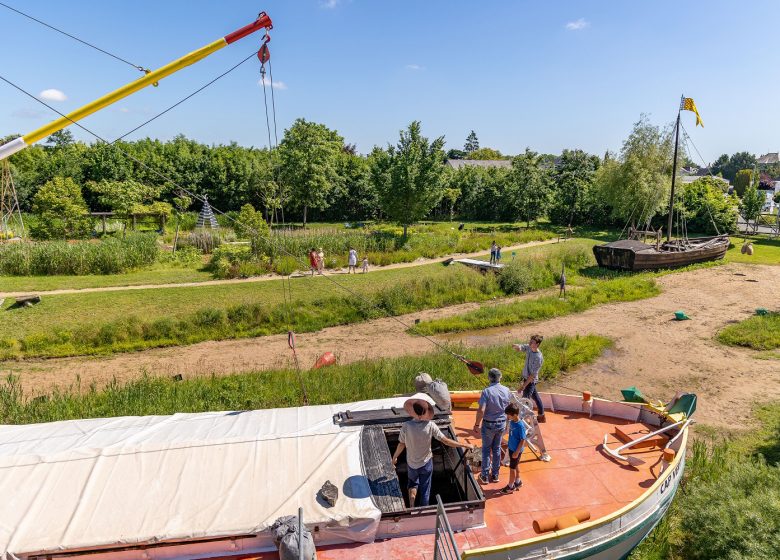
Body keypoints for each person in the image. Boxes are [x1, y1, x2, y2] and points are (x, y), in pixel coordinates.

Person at [392, 398, 474, 507]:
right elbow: (446, 441)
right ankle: (424, 509)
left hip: (412, 464)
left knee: (412, 484)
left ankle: (411, 506)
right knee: (425, 489)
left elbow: (401, 444)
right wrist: (465, 445)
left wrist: (394, 458)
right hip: (426, 464)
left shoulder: (406, 426)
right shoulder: (430, 425)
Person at [473, 368, 511, 484]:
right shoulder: (506, 390)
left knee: (486, 449)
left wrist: (476, 424)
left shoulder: (486, 391)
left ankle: (484, 475)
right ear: (500, 377)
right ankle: (495, 475)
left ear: (489, 378)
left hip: (489, 424)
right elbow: (509, 408)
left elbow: (481, 410)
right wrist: (507, 422)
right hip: (501, 423)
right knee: (497, 449)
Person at [513, 335, 545, 422]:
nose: (530, 343)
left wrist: (523, 386)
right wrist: (517, 347)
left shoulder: (538, 358)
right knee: (536, 397)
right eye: (530, 341)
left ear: (537, 344)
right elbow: (522, 347)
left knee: (525, 400)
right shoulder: (529, 348)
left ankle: (522, 420)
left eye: (532, 342)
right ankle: (542, 416)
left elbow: (532, 375)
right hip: (526, 378)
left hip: (530, 381)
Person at [500, 403, 527, 494]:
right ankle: (518, 482)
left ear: (515, 415)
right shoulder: (512, 422)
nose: (507, 416)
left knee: (512, 469)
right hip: (511, 448)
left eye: (509, 415)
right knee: (516, 465)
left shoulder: (520, 426)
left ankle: (510, 486)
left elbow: (523, 440)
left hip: (515, 450)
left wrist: (516, 452)